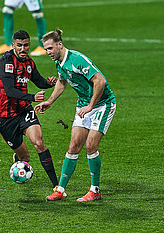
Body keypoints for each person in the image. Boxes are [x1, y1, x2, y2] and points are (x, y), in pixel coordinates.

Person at [35, 29, 116, 202]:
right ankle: (61, 190)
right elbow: (62, 82)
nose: (48, 52)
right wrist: (49, 101)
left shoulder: (77, 60)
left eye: (50, 48)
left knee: (90, 146)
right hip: (84, 106)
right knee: (73, 146)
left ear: (60, 44)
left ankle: (95, 190)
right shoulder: (59, 62)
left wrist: (91, 105)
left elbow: (100, 81)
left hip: (103, 104)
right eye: (46, 49)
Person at [0, 30, 60, 189]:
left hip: (23, 109)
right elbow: (9, 90)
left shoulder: (29, 62)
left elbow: (38, 80)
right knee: (25, 157)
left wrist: (49, 83)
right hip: (5, 115)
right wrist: (32, 97)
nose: (23, 49)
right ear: (13, 45)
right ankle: (18, 160)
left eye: (26, 45)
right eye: (19, 45)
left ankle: (57, 186)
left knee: (39, 142)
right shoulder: (6, 62)